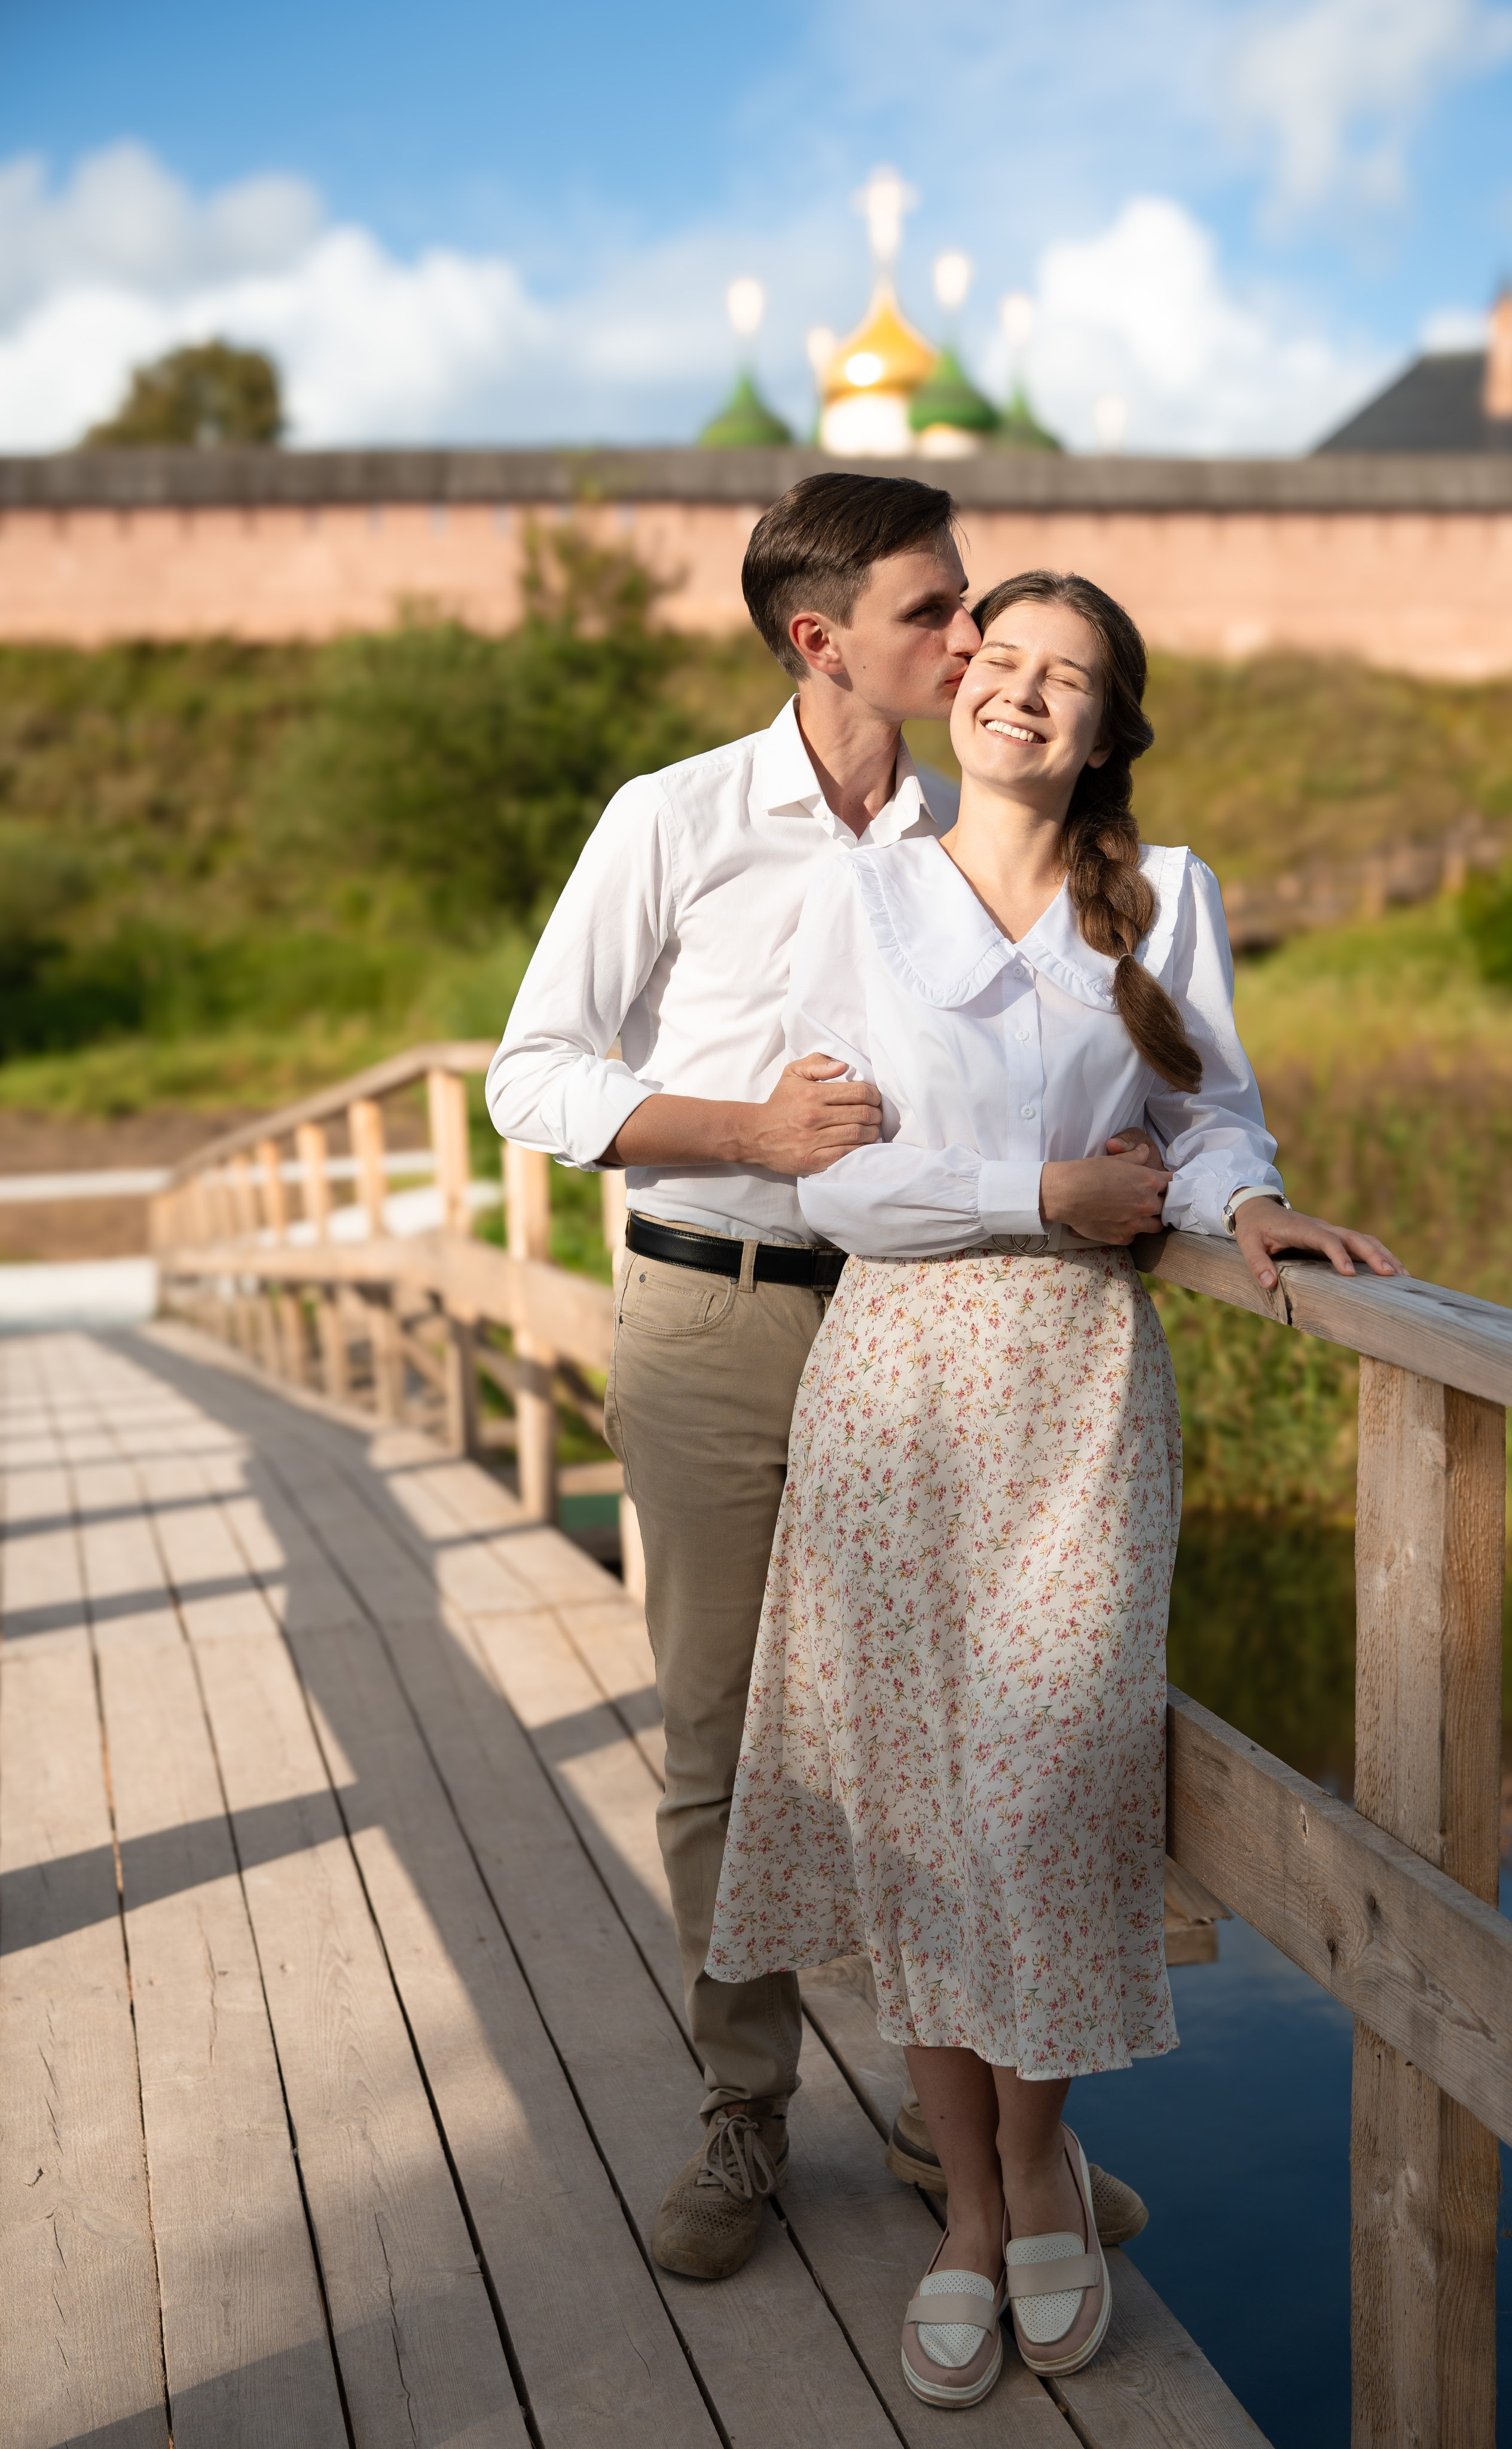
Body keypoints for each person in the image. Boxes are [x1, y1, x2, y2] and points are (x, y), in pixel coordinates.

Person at [704, 569, 1403, 2404]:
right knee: (921, 1803)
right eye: (998, 661)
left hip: (1080, 1395)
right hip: (895, 1382)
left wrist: (1241, 1207)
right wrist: (1042, 1198)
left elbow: (1206, 1112)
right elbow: (832, 1187)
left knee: (1051, 1788)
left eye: (1064, 678)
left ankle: (1033, 2161)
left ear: (1105, 724)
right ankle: (966, 2212)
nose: (1021, 694)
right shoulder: (853, 892)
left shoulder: (1164, 895)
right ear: (954, 686)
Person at [486, 478, 1150, 2283]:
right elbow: (525, 1078)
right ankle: (745, 2116)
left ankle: (971, 2154)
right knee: (722, 1745)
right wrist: (741, 1127)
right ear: (821, 637)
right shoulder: (677, 816)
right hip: (707, 1318)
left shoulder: (965, 836)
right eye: (941, 611)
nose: (974, 640)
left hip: (909, 1336)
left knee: (943, 1743)